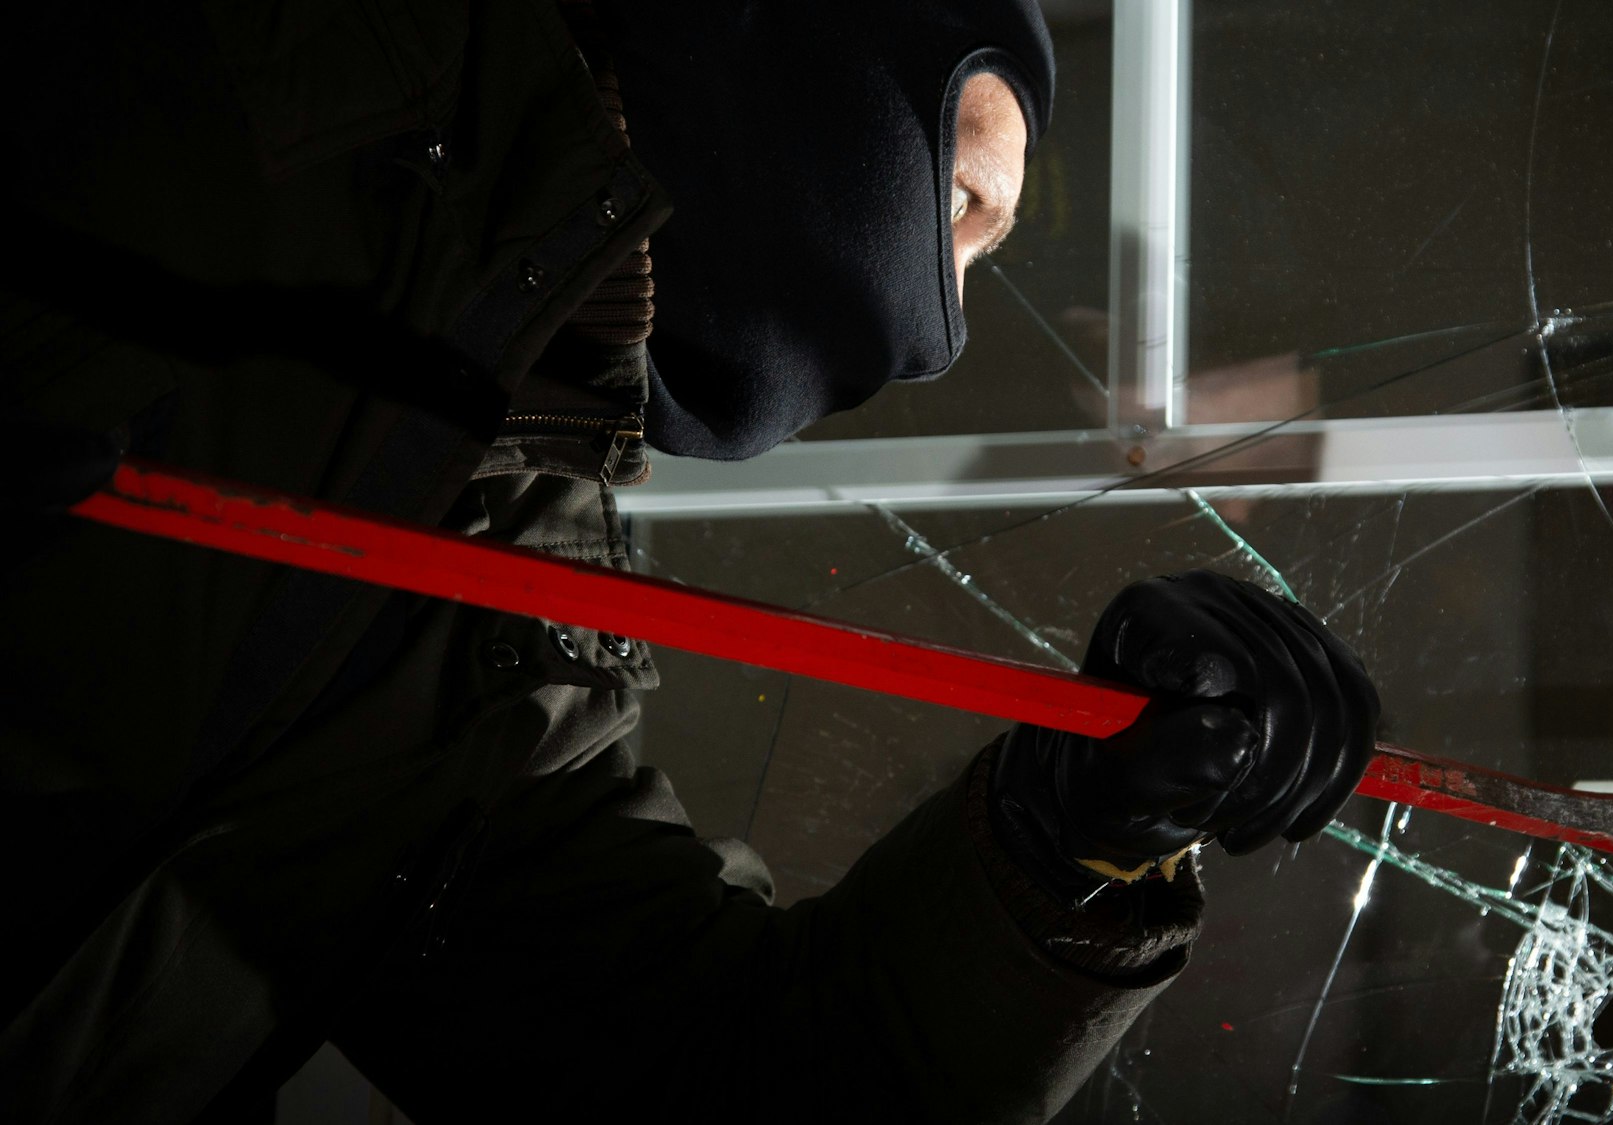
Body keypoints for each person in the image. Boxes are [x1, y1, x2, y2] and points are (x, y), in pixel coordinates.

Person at [0, 2, 1378, 1121]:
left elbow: (707, 1077)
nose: (941, 324)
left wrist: (1067, 842)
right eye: (961, 200)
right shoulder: (293, 88)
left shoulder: (502, 595)